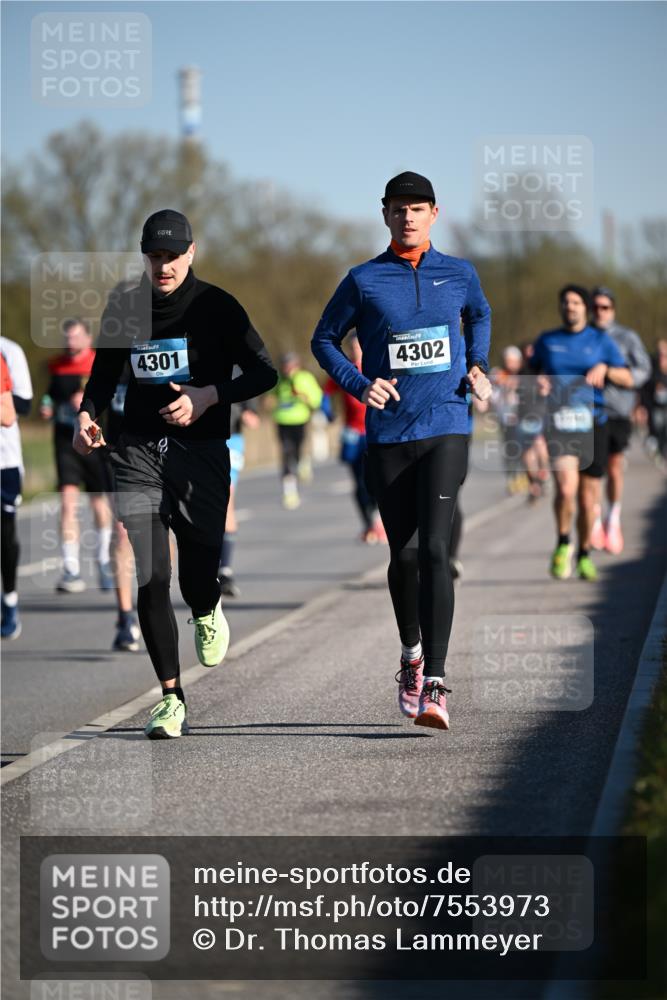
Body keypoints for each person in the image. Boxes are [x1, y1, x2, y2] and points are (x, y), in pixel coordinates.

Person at [74, 209, 277, 739]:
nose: (162, 266)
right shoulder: (125, 303)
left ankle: (206, 606)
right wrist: (87, 415)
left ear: (191, 252)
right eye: (154, 256)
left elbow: (265, 371)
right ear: (144, 256)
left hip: (201, 450)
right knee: (151, 573)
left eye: (172, 256)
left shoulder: (217, 306)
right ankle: (171, 698)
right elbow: (102, 374)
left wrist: (210, 395)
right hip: (136, 449)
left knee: (196, 570)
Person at [312, 171, 492, 731]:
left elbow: (479, 315)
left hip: (446, 423)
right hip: (388, 435)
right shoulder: (364, 280)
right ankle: (411, 656)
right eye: (398, 209)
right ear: (385, 214)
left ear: (434, 213)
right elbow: (323, 339)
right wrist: (359, 382)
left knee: (437, 549)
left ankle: (436, 682)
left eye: (417, 208)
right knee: (405, 555)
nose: (408, 217)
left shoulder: (459, 273)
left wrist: (477, 365)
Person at [529, 285, 632, 581]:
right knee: (565, 488)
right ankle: (563, 543)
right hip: (560, 423)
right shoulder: (547, 341)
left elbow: (627, 376)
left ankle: (585, 552)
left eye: (575, 302)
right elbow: (530, 371)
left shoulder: (601, 341)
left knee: (588, 500)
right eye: (565, 303)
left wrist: (606, 369)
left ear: (585, 308)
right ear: (560, 308)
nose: (570, 307)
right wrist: (538, 383)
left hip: (594, 423)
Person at [40, 319, 114, 593]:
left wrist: (87, 403)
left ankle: (104, 563)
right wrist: (47, 407)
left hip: (95, 440)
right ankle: (71, 570)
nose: (70, 343)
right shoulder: (56, 366)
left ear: (87, 338)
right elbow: (48, 396)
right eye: (66, 337)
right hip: (64, 441)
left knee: (99, 504)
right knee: (68, 504)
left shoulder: (99, 362)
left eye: (75, 337)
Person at [589, 286, 651, 554]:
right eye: (596, 307)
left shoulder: (627, 337)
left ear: (613, 309)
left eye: (605, 307)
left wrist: (612, 373)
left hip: (618, 412)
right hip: (587, 411)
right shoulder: (583, 336)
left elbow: (643, 371)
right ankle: (592, 520)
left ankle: (612, 518)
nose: (600, 312)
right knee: (590, 473)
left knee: (614, 467)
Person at [323, 333, 386, 544]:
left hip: (374, 431)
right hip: (352, 433)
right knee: (358, 482)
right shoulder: (345, 371)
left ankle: (379, 522)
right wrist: (328, 413)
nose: (355, 351)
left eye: (358, 347)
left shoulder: (377, 366)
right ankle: (368, 524)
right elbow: (325, 393)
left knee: (377, 479)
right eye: (352, 347)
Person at [0, 337, 33, 640]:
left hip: (4, 460)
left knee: (5, 535)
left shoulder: (9, 351)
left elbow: (20, 406)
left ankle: (9, 599)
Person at [218, 394, 260, 597]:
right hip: (197, 440)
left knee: (226, 500)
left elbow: (253, 419)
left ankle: (224, 570)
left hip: (231, 440)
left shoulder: (238, 367)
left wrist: (246, 414)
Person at [271, 352, 323, 509]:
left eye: (289, 365)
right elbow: (271, 395)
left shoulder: (305, 378)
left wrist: (301, 395)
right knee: (286, 453)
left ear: (296, 365)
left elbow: (316, 399)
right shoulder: (280, 380)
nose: (287, 369)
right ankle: (289, 492)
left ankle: (302, 462)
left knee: (298, 451)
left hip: (300, 420)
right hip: (282, 421)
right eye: (284, 366)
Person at [640, 338, 667, 465]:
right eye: (660, 352)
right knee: (656, 430)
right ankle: (658, 453)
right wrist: (642, 407)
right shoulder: (652, 367)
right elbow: (644, 389)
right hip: (655, 407)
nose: (662, 354)